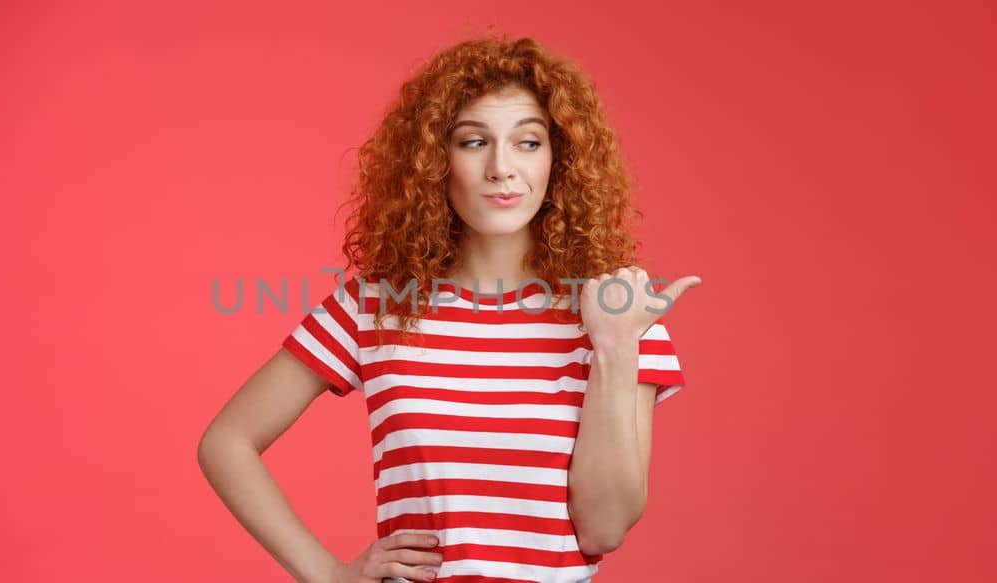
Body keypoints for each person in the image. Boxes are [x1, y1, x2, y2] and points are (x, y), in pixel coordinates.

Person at [198, 34, 701, 583]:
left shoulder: (617, 313)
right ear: (436, 160)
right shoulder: (375, 305)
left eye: (528, 143)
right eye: (473, 142)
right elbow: (227, 442)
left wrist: (613, 345)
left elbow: (603, 529)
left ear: (559, 160)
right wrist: (326, 573)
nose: (502, 168)